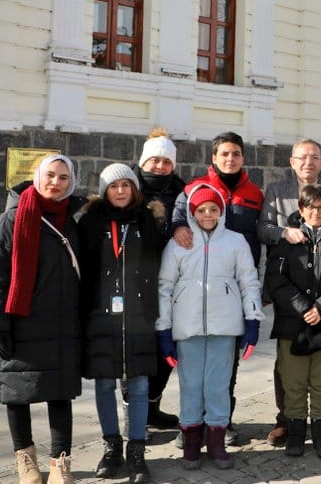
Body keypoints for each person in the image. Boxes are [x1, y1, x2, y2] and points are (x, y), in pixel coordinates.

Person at [0, 154, 84, 484]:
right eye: (50, 175)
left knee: (59, 394)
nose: (56, 182)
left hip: (62, 323)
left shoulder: (71, 220)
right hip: (20, 321)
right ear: (38, 176)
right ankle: (26, 461)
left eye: (63, 177)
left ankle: (59, 464)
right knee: (17, 392)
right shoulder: (14, 217)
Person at [257, 138, 321, 445]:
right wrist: (282, 232)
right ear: (292, 162)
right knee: (287, 359)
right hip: (290, 288)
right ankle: (287, 418)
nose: (308, 163)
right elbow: (262, 228)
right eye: (302, 158)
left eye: (315, 157)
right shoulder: (277, 191)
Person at [157, 184, 263, 470]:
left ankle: (216, 439)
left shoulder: (235, 241)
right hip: (187, 325)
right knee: (191, 385)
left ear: (222, 211)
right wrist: (164, 328)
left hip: (224, 325)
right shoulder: (179, 243)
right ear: (192, 211)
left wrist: (252, 320)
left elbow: (248, 280)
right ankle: (191, 438)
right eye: (201, 209)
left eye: (213, 209)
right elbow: (165, 286)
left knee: (217, 385)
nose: (207, 214)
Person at [170, 131, 264, 446]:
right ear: (214, 157)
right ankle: (192, 425)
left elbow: (260, 237)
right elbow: (176, 223)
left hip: (236, 288)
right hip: (198, 288)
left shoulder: (254, 193)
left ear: (242, 157)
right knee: (194, 365)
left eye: (236, 153)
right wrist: (177, 226)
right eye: (224, 153)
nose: (230, 158)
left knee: (226, 362)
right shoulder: (192, 189)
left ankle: (222, 423)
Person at [78, 163, 163, 482]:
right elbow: (83, 268)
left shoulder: (146, 220)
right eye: (114, 186)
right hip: (101, 313)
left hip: (139, 314)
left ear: (135, 189)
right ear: (104, 191)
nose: (120, 191)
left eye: (126, 185)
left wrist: (156, 312)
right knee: (103, 382)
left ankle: (137, 451)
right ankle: (112, 447)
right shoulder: (91, 221)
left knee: (139, 384)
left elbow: (156, 266)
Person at [132, 128, 185, 432]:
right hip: (137, 285)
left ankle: (153, 408)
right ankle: (134, 419)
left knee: (166, 350)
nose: (160, 166)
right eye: (155, 160)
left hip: (173, 284)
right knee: (138, 352)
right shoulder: (129, 189)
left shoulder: (183, 191)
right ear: (143, 161)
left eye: (166, 161)